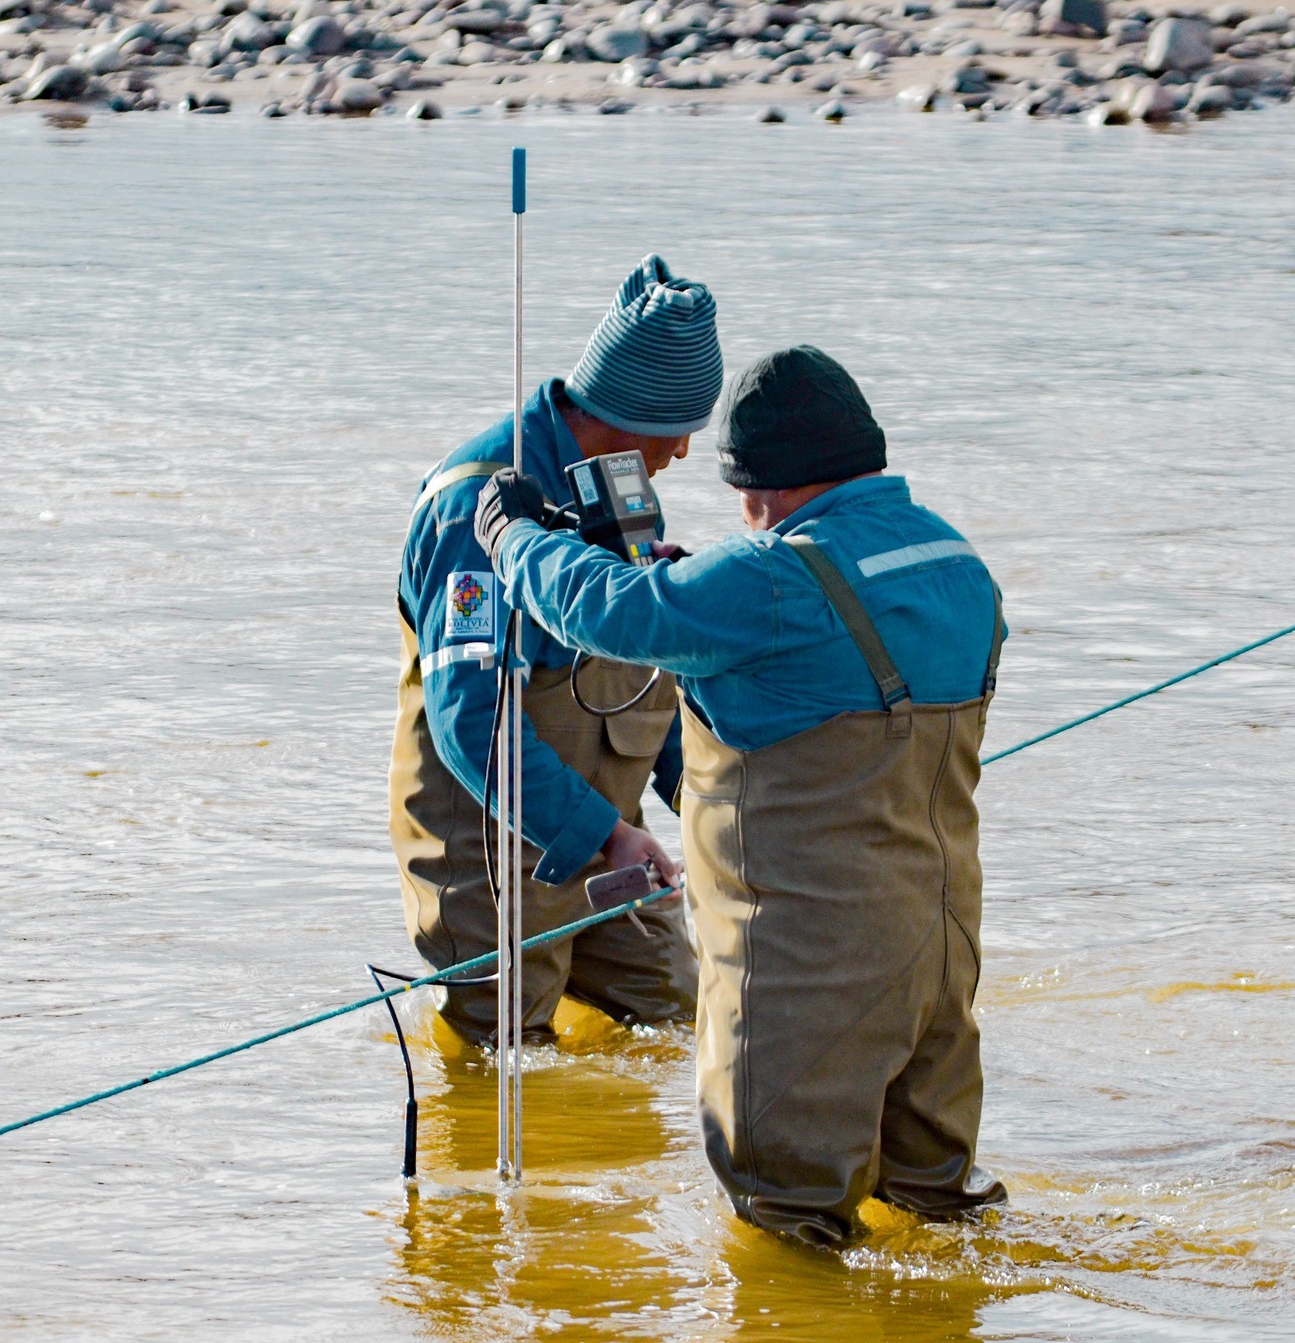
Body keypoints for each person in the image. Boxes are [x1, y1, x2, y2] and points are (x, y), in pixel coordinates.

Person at [474, 345, 1009, 1245]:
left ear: (766, 482)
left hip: (808, 974)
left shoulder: (766, 579)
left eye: (746, 497)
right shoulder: (957, 561)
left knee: (784, 1224)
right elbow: (811, 658)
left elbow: (612, 614)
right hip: (941, 956)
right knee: (937, 1208)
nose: (746, 517)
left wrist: (516, 539)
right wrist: (693, 586)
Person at [390, 254, 721, 1046]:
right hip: (489, 849)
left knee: (686, 1022)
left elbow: (645, 668)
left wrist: (711, 802)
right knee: (502, 1061)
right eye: (680, 430)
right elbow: (471, 723)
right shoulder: (475, 505)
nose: (682, 453)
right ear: (636, 411)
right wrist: (604, 834)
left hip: (608, 835)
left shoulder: (624, 483)